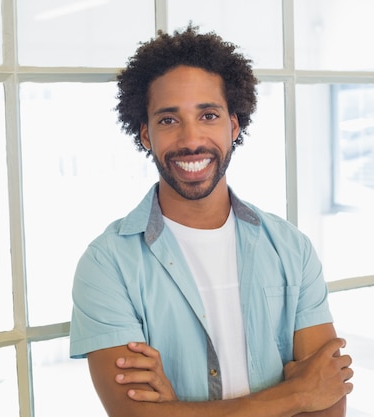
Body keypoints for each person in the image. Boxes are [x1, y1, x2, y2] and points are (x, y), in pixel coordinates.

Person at [69, 24, 353, 417]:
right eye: (168, 120)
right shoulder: (107, 265)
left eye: (208, 115)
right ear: (146, 134)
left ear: (233, 126)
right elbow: (136, 415)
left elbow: (328, 403)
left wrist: (178, 409)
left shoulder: (292, 248)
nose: (190, 139)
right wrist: (295, 395)